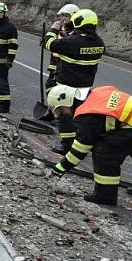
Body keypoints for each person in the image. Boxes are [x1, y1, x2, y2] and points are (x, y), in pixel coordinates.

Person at [49, 84, 132, 206]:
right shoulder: (97, 93)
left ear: (66, 102)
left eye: (61, 110)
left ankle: (105, 196)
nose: (63, 115)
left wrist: (61, 167)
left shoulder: (87, 114)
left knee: (104, 153)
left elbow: (80, 149)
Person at [43, 9, 105, 153]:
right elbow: (77, 46)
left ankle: (67, 146)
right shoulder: (99, 42)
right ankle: (82, 145)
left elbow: (49, 44)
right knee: (80, 117)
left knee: (64, 116)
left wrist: (53, 29)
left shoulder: (71, 42)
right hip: (85, 86)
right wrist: (67, 37)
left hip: (66, 86)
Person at [45, 3, 80, 89]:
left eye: (66, 16)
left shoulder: (78, 31)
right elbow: (50, 43)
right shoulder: (60, 27)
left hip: (68, 69)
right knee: (49, 86)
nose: (63, 18)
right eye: (62, 15)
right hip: (54, 65)